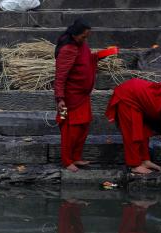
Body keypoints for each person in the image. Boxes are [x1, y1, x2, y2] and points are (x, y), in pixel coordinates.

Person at [54, 19, 100, 173]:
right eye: (83, 37)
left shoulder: (82, 45)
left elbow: (87, 60)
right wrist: (60, 99)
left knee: (83, 127)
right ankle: (67, 161)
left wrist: (102, 55)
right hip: (68, 101)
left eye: (87, 37)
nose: (85, 40)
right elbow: (60, 76)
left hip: (82, 97)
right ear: (74, 35)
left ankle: (76, 156)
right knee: (69, 130)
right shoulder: (68, 49)